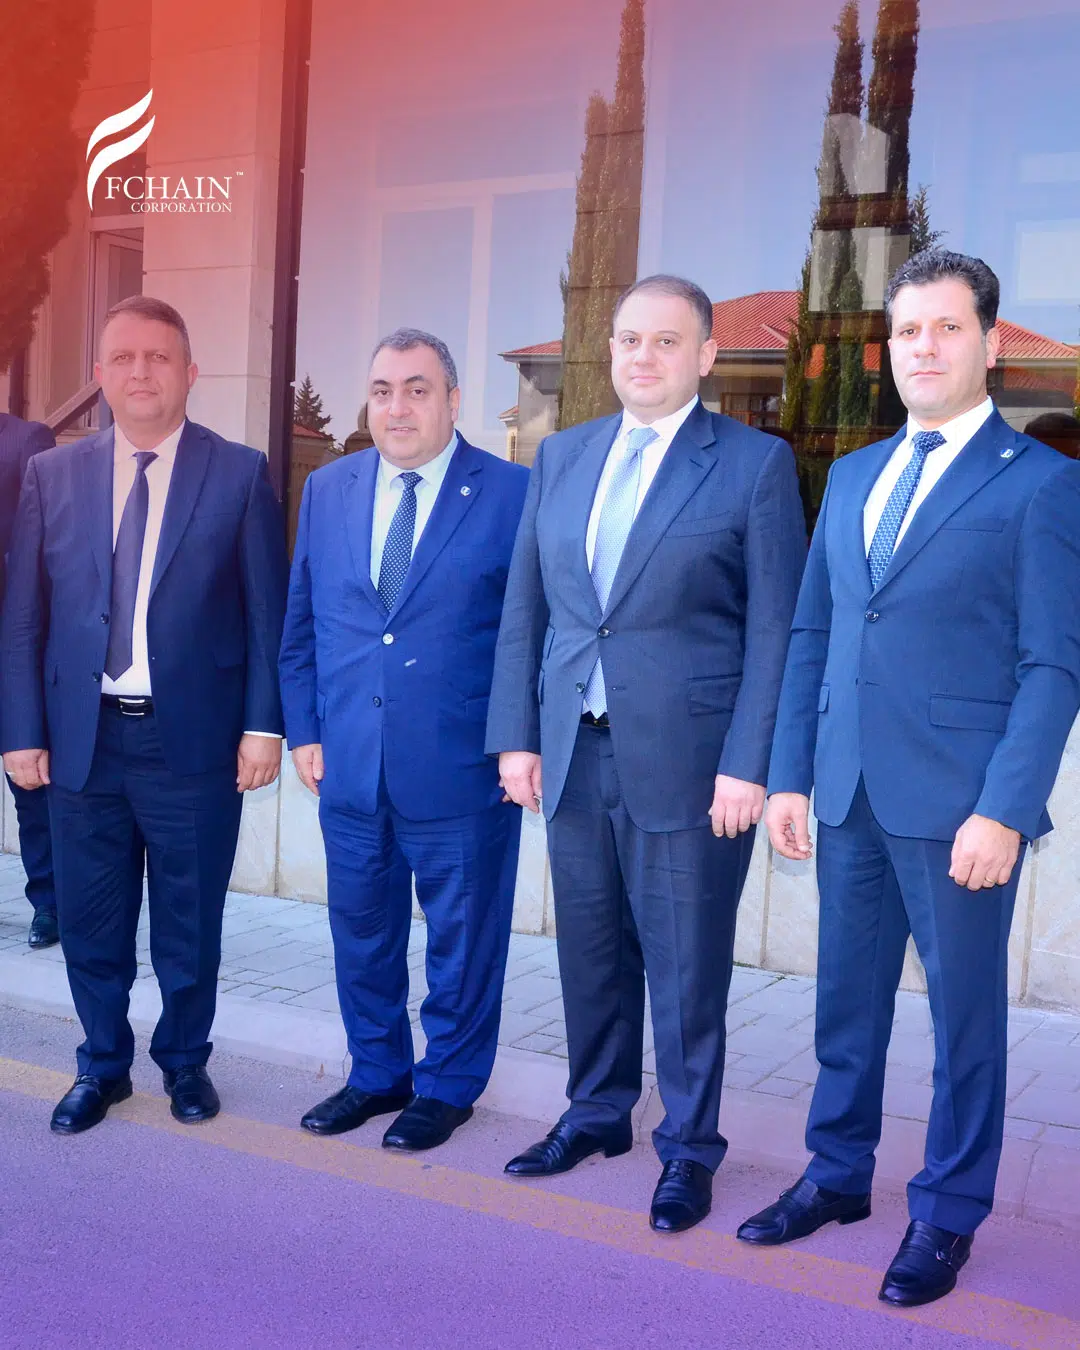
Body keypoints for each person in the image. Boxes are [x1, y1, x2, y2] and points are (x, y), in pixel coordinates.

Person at [737, 249, 1080, 1307]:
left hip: (960, 809)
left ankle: (948, 1210)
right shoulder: (852, 476)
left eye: (947, 327)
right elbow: (814, 631)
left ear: (989, 343)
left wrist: (1004, 810)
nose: (924, 347)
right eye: (908, 331)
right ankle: (837, 1174)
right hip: (845, 792)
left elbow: (1053, 666)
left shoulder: (1043, 484)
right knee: (844, 1003)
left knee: (964, 1022)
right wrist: (788, 774)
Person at [486, 275, 806, 1233]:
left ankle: (690, 1148)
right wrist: (516, 737)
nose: (644, 357)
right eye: (630, 339)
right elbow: (526, 608)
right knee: (589, 951)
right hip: (574, 754)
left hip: (694, 767)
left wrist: (749, 763)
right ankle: (596, 1113)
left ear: (705, 356)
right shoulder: (562, 455)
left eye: (667, 341)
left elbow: (776, 631)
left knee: (685, 969)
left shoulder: (754, 464)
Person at [1, 295, 288, 1134]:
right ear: (99, 375)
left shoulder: (239, 474)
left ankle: (185, 1063)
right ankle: (102, 1066)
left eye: (159, 357)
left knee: (189, 922)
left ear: (190, 372)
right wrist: (20, 731)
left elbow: (266, 615)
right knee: (91, 920)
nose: (141, 372)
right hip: (81, 741)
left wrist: (262, 727)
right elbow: (24, 617)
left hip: (191, 742)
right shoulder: (52, 475)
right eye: (123, 357)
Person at [279, 328, 528, 1151]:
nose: (398, 407)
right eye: (383, 390)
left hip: (463, 767)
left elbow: (528, 634)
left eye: (418, 389)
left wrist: (515, 743)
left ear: (452, 400)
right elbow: (303, 621)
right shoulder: (329, 488)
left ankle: (448, 1084)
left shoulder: (511, 492)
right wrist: (306, 728)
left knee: (463, 940)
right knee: (361, 932)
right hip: (349, 762)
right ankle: (377, 1072)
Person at [0, 410, 58, 948]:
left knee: (29, 785)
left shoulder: (26, 439)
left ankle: (49, 904)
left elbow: (37, 549)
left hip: (11, 646)